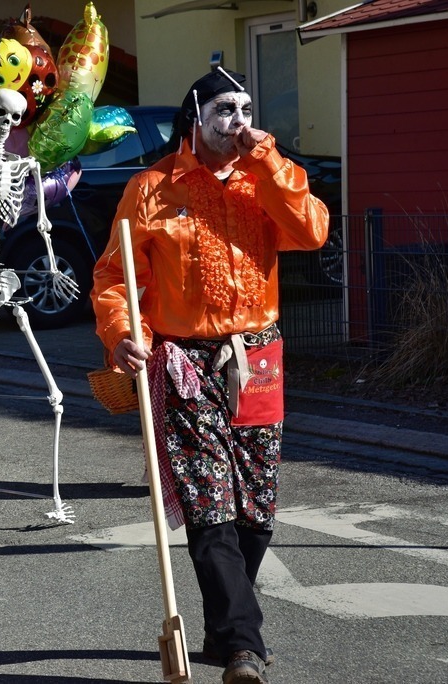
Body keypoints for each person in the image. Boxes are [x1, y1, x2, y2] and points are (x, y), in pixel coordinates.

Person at [90, 69, 329, 684]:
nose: (240, 121)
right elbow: (115, 280)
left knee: (257, 509)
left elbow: (312, 232)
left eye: (247, 108)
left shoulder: (266, 176)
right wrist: (125, 337)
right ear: (196, 115)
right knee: (208, 502)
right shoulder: (151, 188)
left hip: (259, 356)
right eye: (226, 109)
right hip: (186, 361)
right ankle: (245, 644)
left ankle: (226, 626)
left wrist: (270, 161)